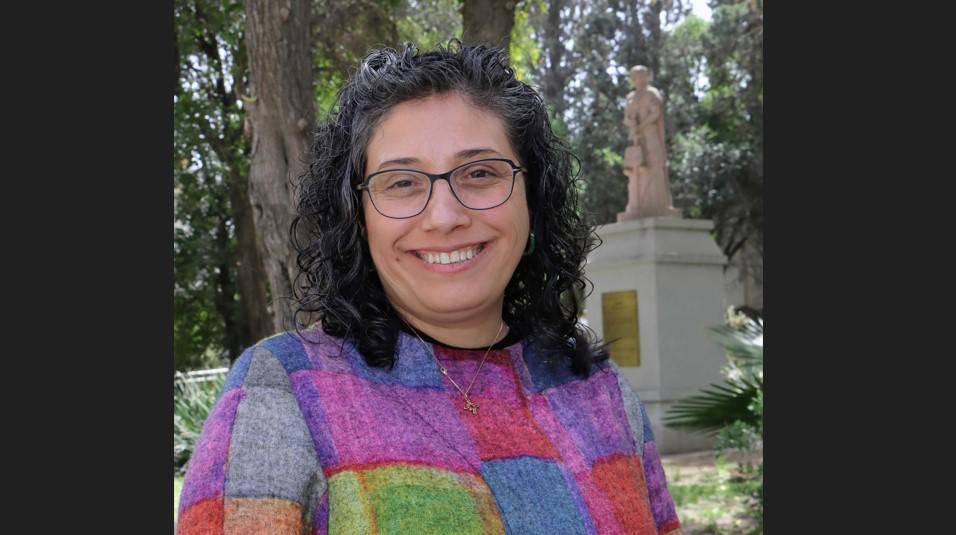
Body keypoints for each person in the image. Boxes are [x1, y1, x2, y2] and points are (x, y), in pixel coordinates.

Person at [176, 40, 681, 535]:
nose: (444, 216)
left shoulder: (600, 392)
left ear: (533, 198)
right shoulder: (282, 391)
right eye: (401, 182)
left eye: (480, 172)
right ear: (358, 219)